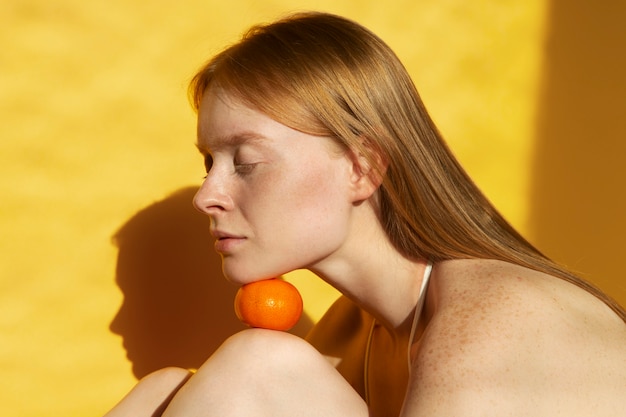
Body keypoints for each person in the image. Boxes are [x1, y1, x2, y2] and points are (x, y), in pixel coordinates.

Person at [104, 11, 626, 417]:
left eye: (245, 162)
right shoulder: (351, 334)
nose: (207, 195)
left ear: (362, 167)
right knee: (165, 387)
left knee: (257, 367)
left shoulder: (497, 321)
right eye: (208, 163)